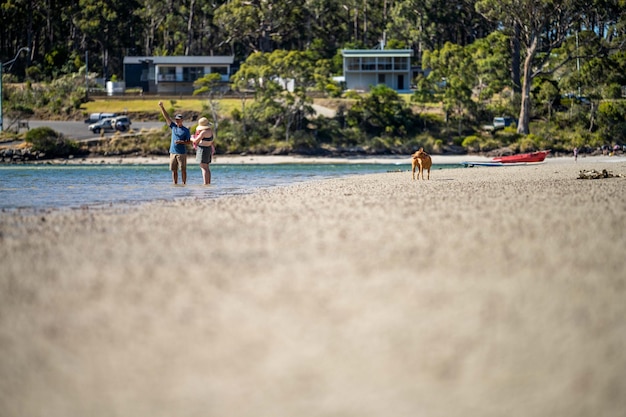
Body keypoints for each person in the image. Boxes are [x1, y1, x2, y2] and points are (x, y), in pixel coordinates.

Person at [158, 101, 191, 184]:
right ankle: (175, 183)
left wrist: (181, 142)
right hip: (172, 152)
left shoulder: (186, 130)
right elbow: (167, 117)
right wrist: (162, 107)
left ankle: (184, 183)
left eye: (178, 119)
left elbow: (189, 142)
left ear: (182, 120)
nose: (177, 121)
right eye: (176, 119)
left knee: (183, 170)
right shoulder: (173, 127)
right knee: (174, 170)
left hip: (181, 153)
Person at [191, 117, 215, 185]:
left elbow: (196, 141)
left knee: (203, 167)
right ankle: (208, 183)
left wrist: (191, 138)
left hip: (203, 149)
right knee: (207, 167)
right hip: (208, 149)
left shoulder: (203, 132)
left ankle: (205, 183)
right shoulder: (210, 131)